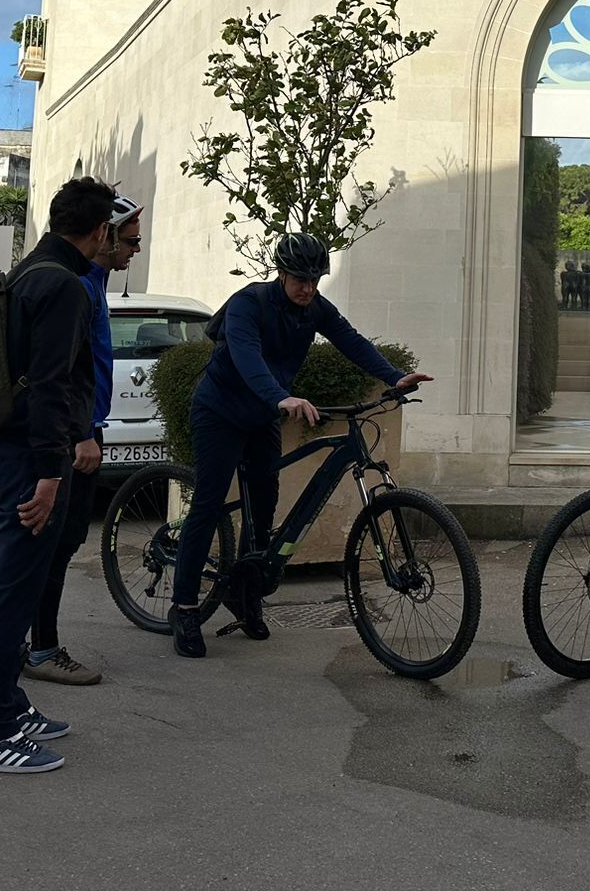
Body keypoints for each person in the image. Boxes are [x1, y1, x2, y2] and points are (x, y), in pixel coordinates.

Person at [167, 231, 433, 658]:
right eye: (299, 279)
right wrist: (281, 397)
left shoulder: (315, 309)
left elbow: (351, 340)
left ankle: (246, 595)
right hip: (220, 411)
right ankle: (183, 607)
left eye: (315, 280)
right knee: (210, 503)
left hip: (261, 417)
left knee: (265, 505)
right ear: (281, 273)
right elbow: (247, 357)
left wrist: (393, 375)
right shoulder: (247, 304)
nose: (308, 288)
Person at [0, 176, 113, 773]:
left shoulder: (27, 271)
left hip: (3, 447)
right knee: (12, 594)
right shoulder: (66, 287)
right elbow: (52, 388)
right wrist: (50, 477)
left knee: (1, 582)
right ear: (100, 232)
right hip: (30, 457)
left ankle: (7, 703)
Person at [22, 193, 144, 687]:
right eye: (131, 240)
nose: (137, 249)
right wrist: (83, 436)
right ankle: (40, 649)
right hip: (73, 439)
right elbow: (61, 376)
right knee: (49, 547)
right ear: (104, 234)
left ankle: (33, 646)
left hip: (79, 434)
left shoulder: (93, 281)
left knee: (62, 544)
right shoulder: (77, 284)